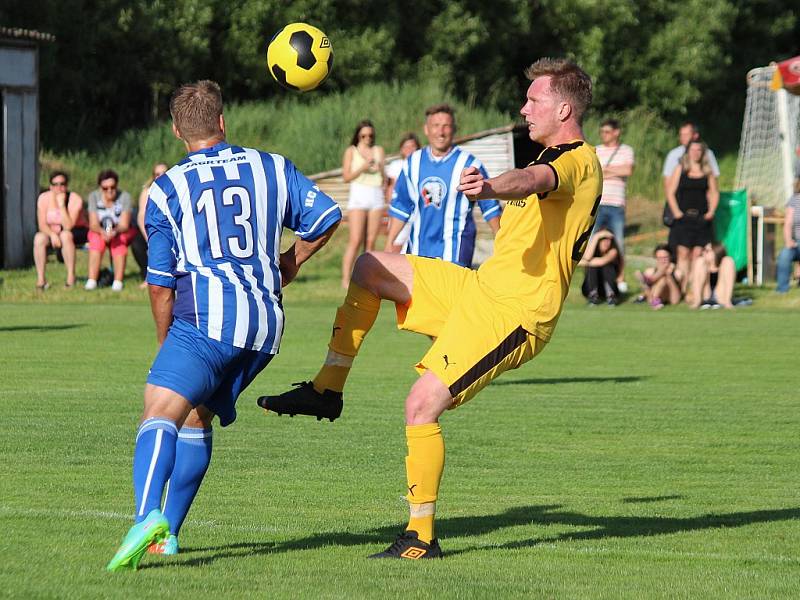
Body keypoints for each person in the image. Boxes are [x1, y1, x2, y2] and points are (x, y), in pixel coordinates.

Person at [259, 58, 602, 559]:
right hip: (478, 290)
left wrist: (489, 188)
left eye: (534, 99)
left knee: (420, 406)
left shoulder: (578, 161)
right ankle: (325, 391)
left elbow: (532, 181)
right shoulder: (551, 155)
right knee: (371, 266)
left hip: (515, 315)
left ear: (564, 107)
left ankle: (420, 538)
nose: (524, 107)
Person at [105, 80, 341, 572]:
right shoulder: (271, 166)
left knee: (159, 410)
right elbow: (325, 216)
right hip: (265, 325)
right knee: (195, 418)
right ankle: (166, 538)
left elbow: (160, 284)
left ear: (175, 130)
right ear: (223, 121)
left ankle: (145, 516)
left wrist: (165, 341)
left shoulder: (166, 189)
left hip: (207, 319)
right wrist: (290, 263)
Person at [385, 104, 501, 267]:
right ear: (426, 129)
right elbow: (401, 206)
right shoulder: (413, 163)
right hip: (419, 248)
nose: (440, 132)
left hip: (456, 248)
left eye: (446, 126)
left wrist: (502, 242)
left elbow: (489, 206)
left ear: (454, 129)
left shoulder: (469, 164)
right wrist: (390, 242)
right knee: (418, 292)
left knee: (452, 292)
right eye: (436, 126)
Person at [665, 140, 719, 292]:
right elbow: (670, 192)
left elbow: (714, 193)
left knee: (697, 253)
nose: (696, 153)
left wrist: (711, 211)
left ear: (703, 153)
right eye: (693, 150)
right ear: (687, 152)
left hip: (701, 218)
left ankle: (694, 288)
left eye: (699, 150)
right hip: (683, 217)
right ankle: (681, 288)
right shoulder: (680, 169)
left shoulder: (708, 172)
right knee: (683, 252)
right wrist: (676, 212)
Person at [341, 120, 386, 288]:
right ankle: (346, 279)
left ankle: (367, 278)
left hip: (375, 194)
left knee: (371, 241)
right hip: (359, 194)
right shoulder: (351, 151)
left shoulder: (378, 150)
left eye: (371, 135)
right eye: (364, 135)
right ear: (358, 135)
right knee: (355, 239)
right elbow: (346, 176)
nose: (368, 138)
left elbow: (384, 176)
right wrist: (363, 167)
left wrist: (379, 166)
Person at [594, 118, 634, 291]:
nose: (604, 135)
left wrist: (606, 171)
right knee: (592, 242)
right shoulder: (597, 150)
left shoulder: (626, 150)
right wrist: (612, 172)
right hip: (598, 203)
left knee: (619, 242)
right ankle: (593, 280)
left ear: (616, 132)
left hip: (616, 204)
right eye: (602, 131)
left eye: (607, 132)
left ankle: (620, 277)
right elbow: (594, 173)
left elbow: (627, 170)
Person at [85, 170, 137, 291]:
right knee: (96, 241)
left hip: (120, 231)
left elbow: (124, 224)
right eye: (105, 188)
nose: (109, 190)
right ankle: (92, 279)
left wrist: (114, 232)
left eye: (112, 187)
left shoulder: (125, 197)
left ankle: (118, 281)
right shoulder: (93, 197)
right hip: (99, 231)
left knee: (118, 242)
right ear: (100, 187)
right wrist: (103, 232)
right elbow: (93, 224)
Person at [33, 171, 86, 289]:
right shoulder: (43, 198)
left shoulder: (74, 199)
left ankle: (71, 277)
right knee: (39, 238)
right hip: (52, 232)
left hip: (76, 231)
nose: (59, 187)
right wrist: (52, 235)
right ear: (50, 186)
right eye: (55, 184)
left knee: (65, 235)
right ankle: (41, 280)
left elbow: (68, 226)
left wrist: (62, 205)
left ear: (66, 185)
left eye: (62, 184)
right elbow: (42, 224)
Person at [132, 162, 169, 288]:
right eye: (157, 174)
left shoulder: (175, 189)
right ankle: (148, 276)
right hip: (150, 229)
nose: (161, 176)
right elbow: (141, 216)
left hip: (169, 229)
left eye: (164, 173)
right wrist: (148, 236)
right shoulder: (147, 191)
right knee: (137, 244)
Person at [579, 228, 621, 305]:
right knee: (593, 267)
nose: (606, 242)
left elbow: (602, 261)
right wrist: (596, 236)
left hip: (608, 287)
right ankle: (593, 295)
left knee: (606, 265)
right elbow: (588, 257)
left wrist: (584, 262)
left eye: (609, 240)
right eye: (603, 239)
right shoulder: (592, 251)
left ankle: (610, 296)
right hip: (589, 287)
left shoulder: (613, 251)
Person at [635, 244, 683, 310]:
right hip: (653, 297)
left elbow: (679, 293)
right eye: (660, 258)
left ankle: (654, 301)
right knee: (660, 279)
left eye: (665, 258)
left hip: (672, 298)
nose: (663, 261)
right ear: (656, 258)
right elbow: (647, 292)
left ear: (670, 257)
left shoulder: (678, 272)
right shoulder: (650, 271)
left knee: (664, 278)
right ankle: (655, 301)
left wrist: (666, 274)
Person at [688, 242, 736, 309]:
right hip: (705, 295)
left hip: (720, 296)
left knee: (728, 260)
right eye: (703, 250)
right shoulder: (701, 265)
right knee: (700, 261)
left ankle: (727, 302)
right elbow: (691, 284)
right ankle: (697, 301)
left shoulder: (724, 265)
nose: (703, 252)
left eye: (707, 251)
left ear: (716, 252)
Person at [776, 178, 800, 293]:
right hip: (796, 243)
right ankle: (782, 289)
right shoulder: (794, 200)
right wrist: (788, 240)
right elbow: (788, 224)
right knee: (785, 255)